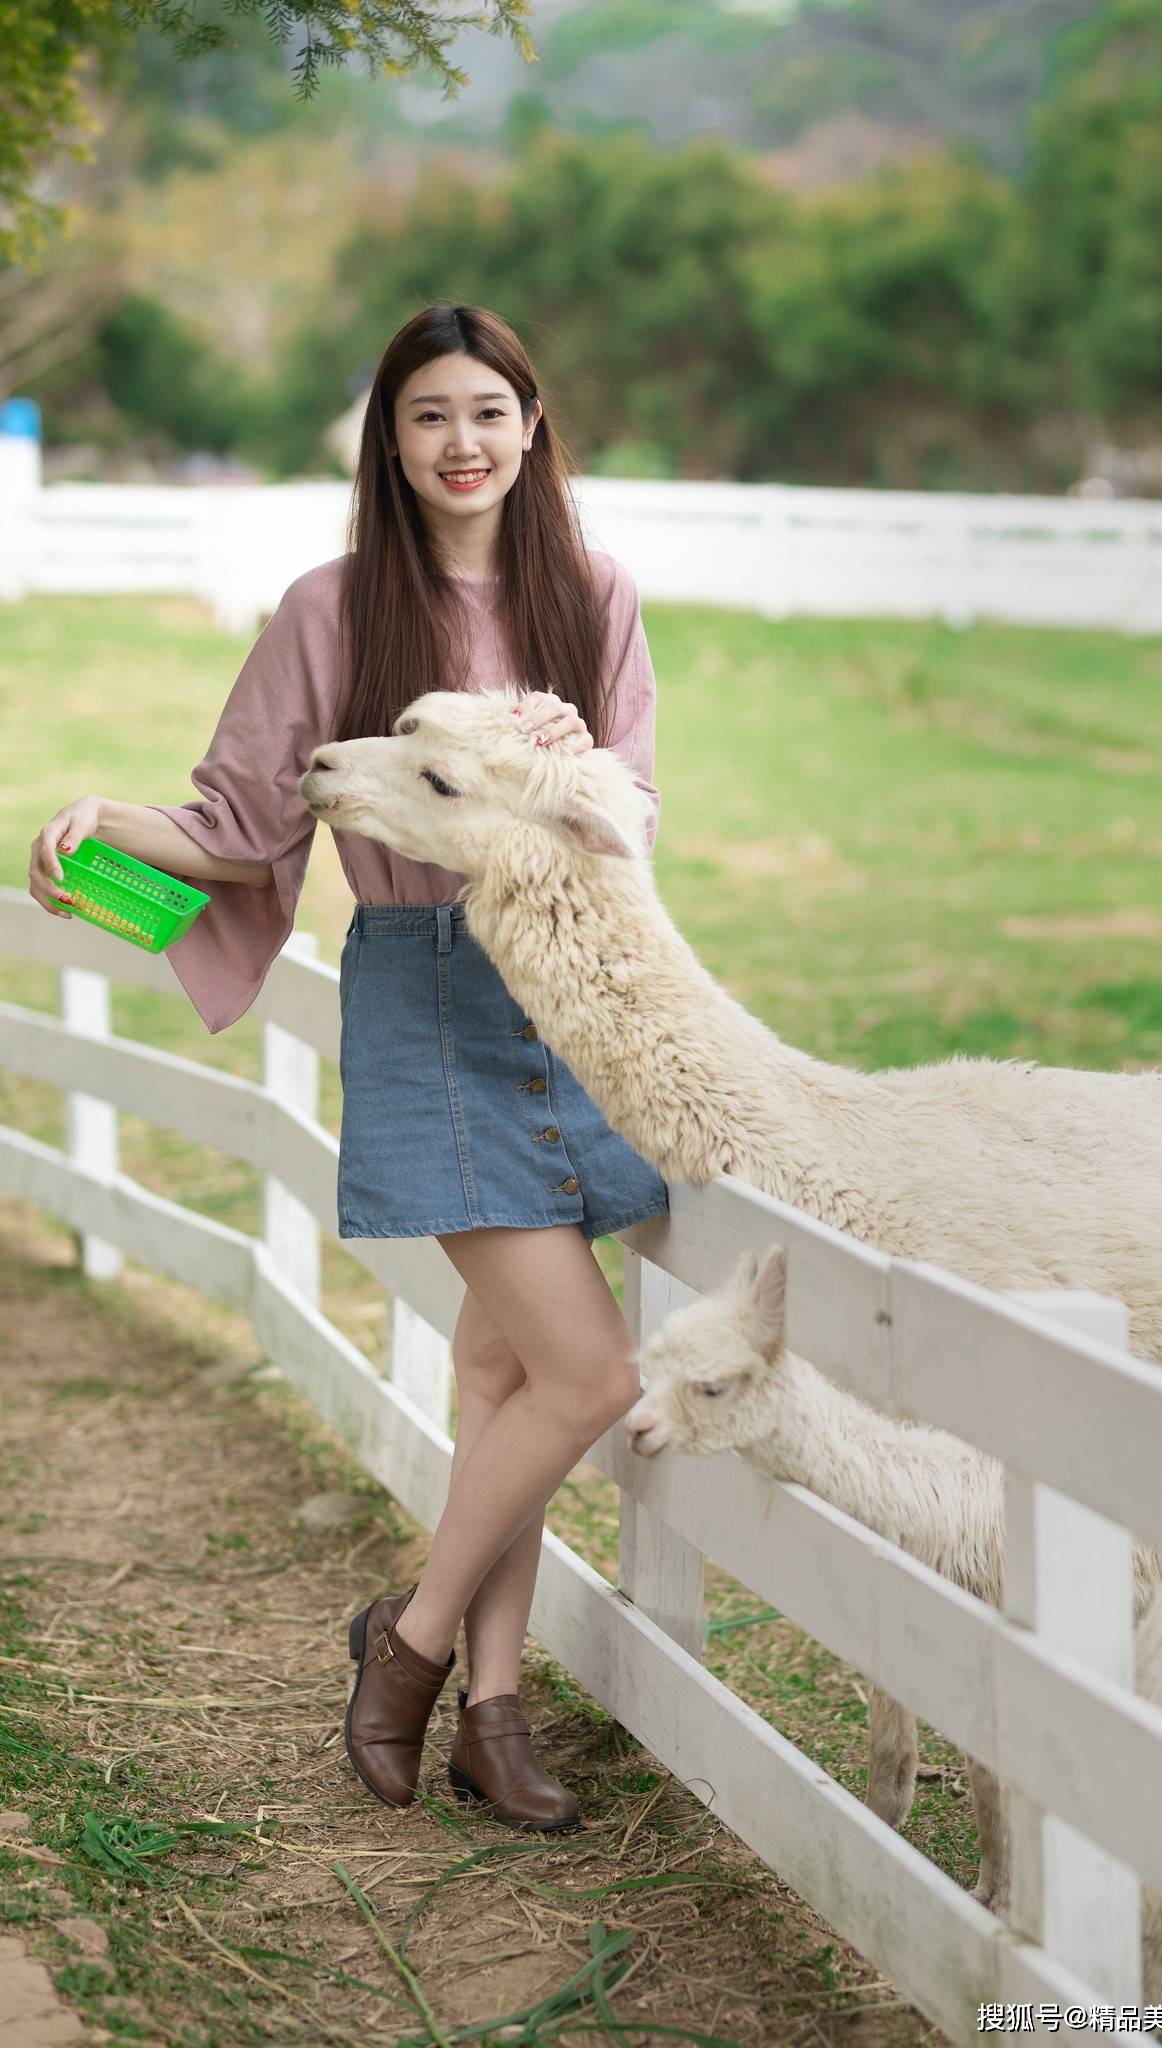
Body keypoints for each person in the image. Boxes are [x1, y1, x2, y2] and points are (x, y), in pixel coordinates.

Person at [27, 302, 670, 1832]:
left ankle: (491, 1715)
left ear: (531, 427)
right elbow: (244, 832)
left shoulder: (594, 594)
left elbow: (633, 811)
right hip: (428, 1001)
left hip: (569, 998)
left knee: (513, 1374)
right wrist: (101, 839)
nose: (463, 444)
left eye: (489, 413)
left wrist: (562, 761)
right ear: (390, 439)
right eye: (430, 416)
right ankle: (413, 1646)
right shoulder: (329, 609)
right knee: (588, 1373)